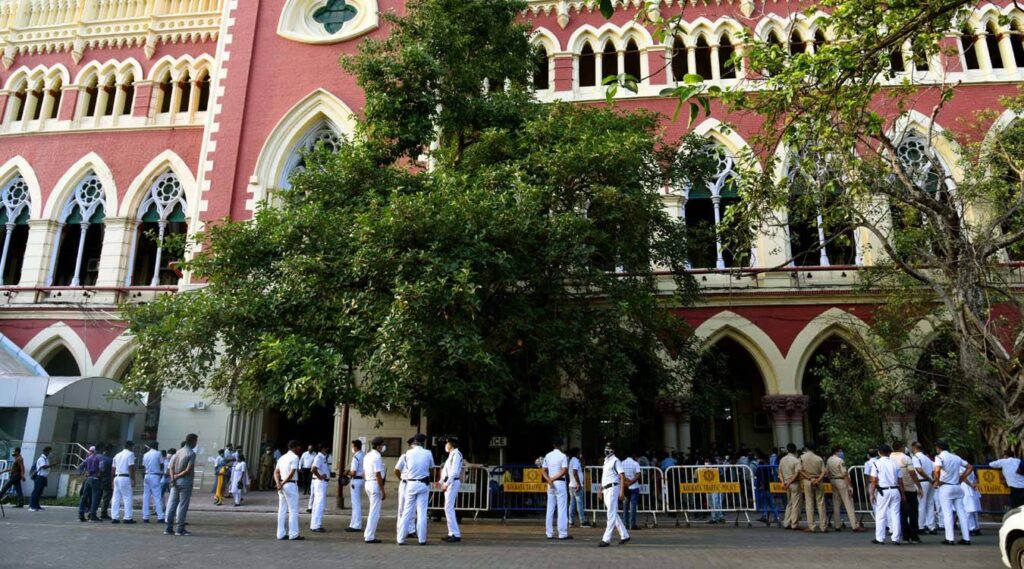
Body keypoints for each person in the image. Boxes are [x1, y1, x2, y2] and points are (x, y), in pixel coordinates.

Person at [396, 433, 434, 545]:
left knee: (407, 511)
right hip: (423, 484)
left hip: (410, 484)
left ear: (414, 442)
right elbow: (431, 468)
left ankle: (400, 538)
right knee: (422, 512)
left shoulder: (408, 453)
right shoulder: (428, 453)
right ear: (423, 442)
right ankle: (422, 539)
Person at [932, 440, 972, 545]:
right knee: (962, 513)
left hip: (946, 487)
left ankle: (950, 538)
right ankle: (966, 538)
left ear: (939, 448)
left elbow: (937, 470)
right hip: (957, 486)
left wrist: (937, 481)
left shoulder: (939, 457)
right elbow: (970, 467)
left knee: (947, 513)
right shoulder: (956, 457)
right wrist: (962, 477)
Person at [869, 443, 904, 545]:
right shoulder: (895, 464)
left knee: (881, 514)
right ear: (889, 453)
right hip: (895, 490)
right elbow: (900, 481)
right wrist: (902, 494)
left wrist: (872, 493)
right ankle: (896, 538)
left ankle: (880, 538)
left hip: (883, 491)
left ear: (879, 453)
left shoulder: (876, 464)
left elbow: (874, 480)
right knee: (896, 514)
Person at [826, 445, 865, 533]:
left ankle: (837, 525)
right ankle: (854, 525)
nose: (841, 453)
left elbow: (827, 472)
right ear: (836, 451)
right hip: (841, 481)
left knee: (836, 504)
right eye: (840, 451)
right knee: (848, 503)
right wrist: (850, 486)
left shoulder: (829, 460)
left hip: (833, 481)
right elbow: (844, 474)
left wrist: (831, 480)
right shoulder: (840, 460)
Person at [598, 442, 629, 547]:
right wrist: (600, 490)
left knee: (610, 514)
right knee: (613, 513)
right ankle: (624, 535)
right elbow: (603, 477)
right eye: (606, 447)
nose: (606, 449)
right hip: (606, 489)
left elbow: (622, 475)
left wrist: (622, 491)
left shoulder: (616, 461)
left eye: (609, 448)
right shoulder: (606, 461)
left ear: (613, 450)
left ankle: (606, 539)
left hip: (612, 488)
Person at [165, 434, 198, 536]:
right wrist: (177, 476)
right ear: (192, 441)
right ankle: (180, 529)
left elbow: (170, 467)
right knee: (182, 505)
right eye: (196, 441)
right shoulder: (191, 453)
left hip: (175, 482)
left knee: (172, 504)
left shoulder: (177, 452)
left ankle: (168, 528)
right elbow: (188, 470)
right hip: (185, 482)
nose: (196, 444)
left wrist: (173, 477)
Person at [890, 440, 921, 544]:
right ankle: (914, 536)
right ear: (902, 447)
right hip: (909, 487)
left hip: (897, 488)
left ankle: (905, 537)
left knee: (902, 514)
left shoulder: (889, 458)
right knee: (913, 513)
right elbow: (912, 473)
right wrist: (919, 486)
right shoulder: (906, 458)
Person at [542, 436, 571, 540]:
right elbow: (564, 471)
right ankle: (562, 533)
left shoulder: (548, 456)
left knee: (550, 509)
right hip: (560, 482)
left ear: (553, 445)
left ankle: (549, 533)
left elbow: (543, 471)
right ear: (561, 445)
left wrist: (549, 479)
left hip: (550, 484)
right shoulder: (563, 456)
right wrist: (553, 478)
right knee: (562, 509)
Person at [275, 440, 304, 541]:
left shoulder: (282, 457)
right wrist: (281, 483)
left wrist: (278, 483)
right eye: (298, 447)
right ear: (295, 448)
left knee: (282, 510)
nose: (299, 449)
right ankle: (294, 534)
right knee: (293, 510)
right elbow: (292, 473)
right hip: (290, 484)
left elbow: (276, 472)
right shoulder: (295, 457)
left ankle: (280, 534)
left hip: (282, 485)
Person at [362, 437, 387, 543]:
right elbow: (378, 474)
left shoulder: (367, 455)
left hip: (368, 482)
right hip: (374, 484)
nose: (383, 447)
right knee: (374, 512)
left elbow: (364, 472)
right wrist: (383, 490)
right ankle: (369, 536)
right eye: (382, 445)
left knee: (373, 510)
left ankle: (368, 534)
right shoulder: (377, 457)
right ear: (378, 446)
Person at [799, 442, 826, 533]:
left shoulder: (802, 457)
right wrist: (817, 480)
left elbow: (800, 470)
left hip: (808, 481)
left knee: (809, 503)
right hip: (819, 480)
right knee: (821, 503)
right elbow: (823, 472)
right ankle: (823, 526)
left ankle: (811, 526)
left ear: (806, 448)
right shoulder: (819, 458)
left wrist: (810, 478)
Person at [912, 442, 938, 535]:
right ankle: (931, 526)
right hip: (929, 482)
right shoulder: (927, 458)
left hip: (922, 481)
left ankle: (921, 526)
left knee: (921, 504)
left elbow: (919, 470)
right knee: (930, 504)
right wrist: (933, 479)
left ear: (914, 448)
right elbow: (935, 469)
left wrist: (928, 478)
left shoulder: (916, 457)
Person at [440, 437, 463, 543]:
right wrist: (441, 482)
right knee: (448, 508)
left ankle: (456, 533)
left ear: (451, 444)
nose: (446, 445)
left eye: (447, 443)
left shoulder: (456, 455)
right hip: (449, 483)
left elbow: (454, 472)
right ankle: (451, 533)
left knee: (449, 508)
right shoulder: (452, 455)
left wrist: (446, 484)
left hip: (453, 483)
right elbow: (446, 471)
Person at [394, 437, 416, 540]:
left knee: (413, 508)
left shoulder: (419, 456)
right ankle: (400, 528)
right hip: (405, 483)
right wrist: (401, 479)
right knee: (402, 507)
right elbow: (397, 470)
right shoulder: (404, 456)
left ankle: (411, 530)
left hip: (413, 484)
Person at [778, 443, 802, 530]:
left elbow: (780, 472)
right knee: (795, 503)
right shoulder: (796, 460)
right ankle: (794, 523)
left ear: (787, 450)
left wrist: (783, 482)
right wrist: (790, 482)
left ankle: (786, 522)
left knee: (789, 503)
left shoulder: (782, 460)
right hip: (794, 483)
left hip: (786, 483)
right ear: (795, 450)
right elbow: (797, 473)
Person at [110, 442, 136, 523]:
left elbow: (113, 469)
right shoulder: (130, 454)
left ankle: (114, 517)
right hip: (125, 477)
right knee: (127, 497)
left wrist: (112, 480)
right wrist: (133, 479)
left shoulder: (117, 455)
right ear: (130, 446)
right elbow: (131, 467)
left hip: (117, 477)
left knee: (116, 498)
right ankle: (127, 517)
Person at [77, 446, 102, 522]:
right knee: (95, 498)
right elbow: (102, 468)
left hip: (88, 478)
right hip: (95, 479)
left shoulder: (89, 458)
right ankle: (92, 516)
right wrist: (99, 474)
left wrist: (83, 473)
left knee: (84, 497)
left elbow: (80, 466)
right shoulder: (100, 457)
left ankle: (81, 515)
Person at [141, 442, 165, 523]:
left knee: (146, 496)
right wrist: (161, 472)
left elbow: (143, 466)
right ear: (156, 446)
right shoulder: (158, 453)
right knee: (157, 497)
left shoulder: (146, 454)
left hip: (147, 475)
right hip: (155, 475)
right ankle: (160, 516)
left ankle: (145, 516)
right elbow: (162, 465)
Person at [310, 444, 331, 532]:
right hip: (320, 482)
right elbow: (313, 469)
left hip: (321, 482)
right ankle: (316, 525)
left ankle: (314, 524)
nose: (327, 450)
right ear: (323, 449)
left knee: (317, 504)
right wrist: (320, 477)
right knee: (319, 503)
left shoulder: (323, 458)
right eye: (326, 448)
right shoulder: (319, 457)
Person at [345, 439, 365, 533]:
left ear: (356, 447)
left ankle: (356, 525)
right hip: (361, 480)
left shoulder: (356, 457)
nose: (352, 448)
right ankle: (353, 524)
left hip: (356, 480)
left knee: (355, 504)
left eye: (352, 446)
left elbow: (353, 472)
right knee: (356, 503)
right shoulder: (363, 455)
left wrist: (346, 473)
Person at [568, 448, 588, 528]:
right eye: (580, 453)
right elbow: (575, 472)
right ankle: (582, 521)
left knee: (572, 504)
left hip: (571, 485)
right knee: (579, 504)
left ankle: (571, 521)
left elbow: (582, 465)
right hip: (576, 485)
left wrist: (582, 459)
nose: (581, 454)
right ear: (577, 453)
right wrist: (578, 483)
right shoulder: (575, 460)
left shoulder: (572, 460)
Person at [622, 450, 641, 530]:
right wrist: (631, 482)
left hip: (625, 487)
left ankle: (625, 523)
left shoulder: (622, 463)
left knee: (625, 506)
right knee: (633, 506)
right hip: (634, 487)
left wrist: (626, 482)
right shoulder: (635, 463)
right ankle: (632, 524)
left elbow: (621, 474)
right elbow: (638, 475)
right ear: (633, 455)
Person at [28, 446, 51, 511]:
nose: (49, 453)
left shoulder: (46, 459)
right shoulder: (41, 459)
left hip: (43, 477)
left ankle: (37, 506)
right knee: (36, 492)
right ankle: (32, 506)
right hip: (39, 477)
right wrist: (53, 465)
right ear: (46, 451)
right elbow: (44, 467)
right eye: (49, 451)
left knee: (39, 492)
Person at [97, 444, 114, 519]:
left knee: (96, 496)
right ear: (110, 450)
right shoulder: (111, 459)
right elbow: (112, 471)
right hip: (107, 479)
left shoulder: (99, 458)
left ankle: (92, 511)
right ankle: (103, 513)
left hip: (98, 478)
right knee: (106, 497)